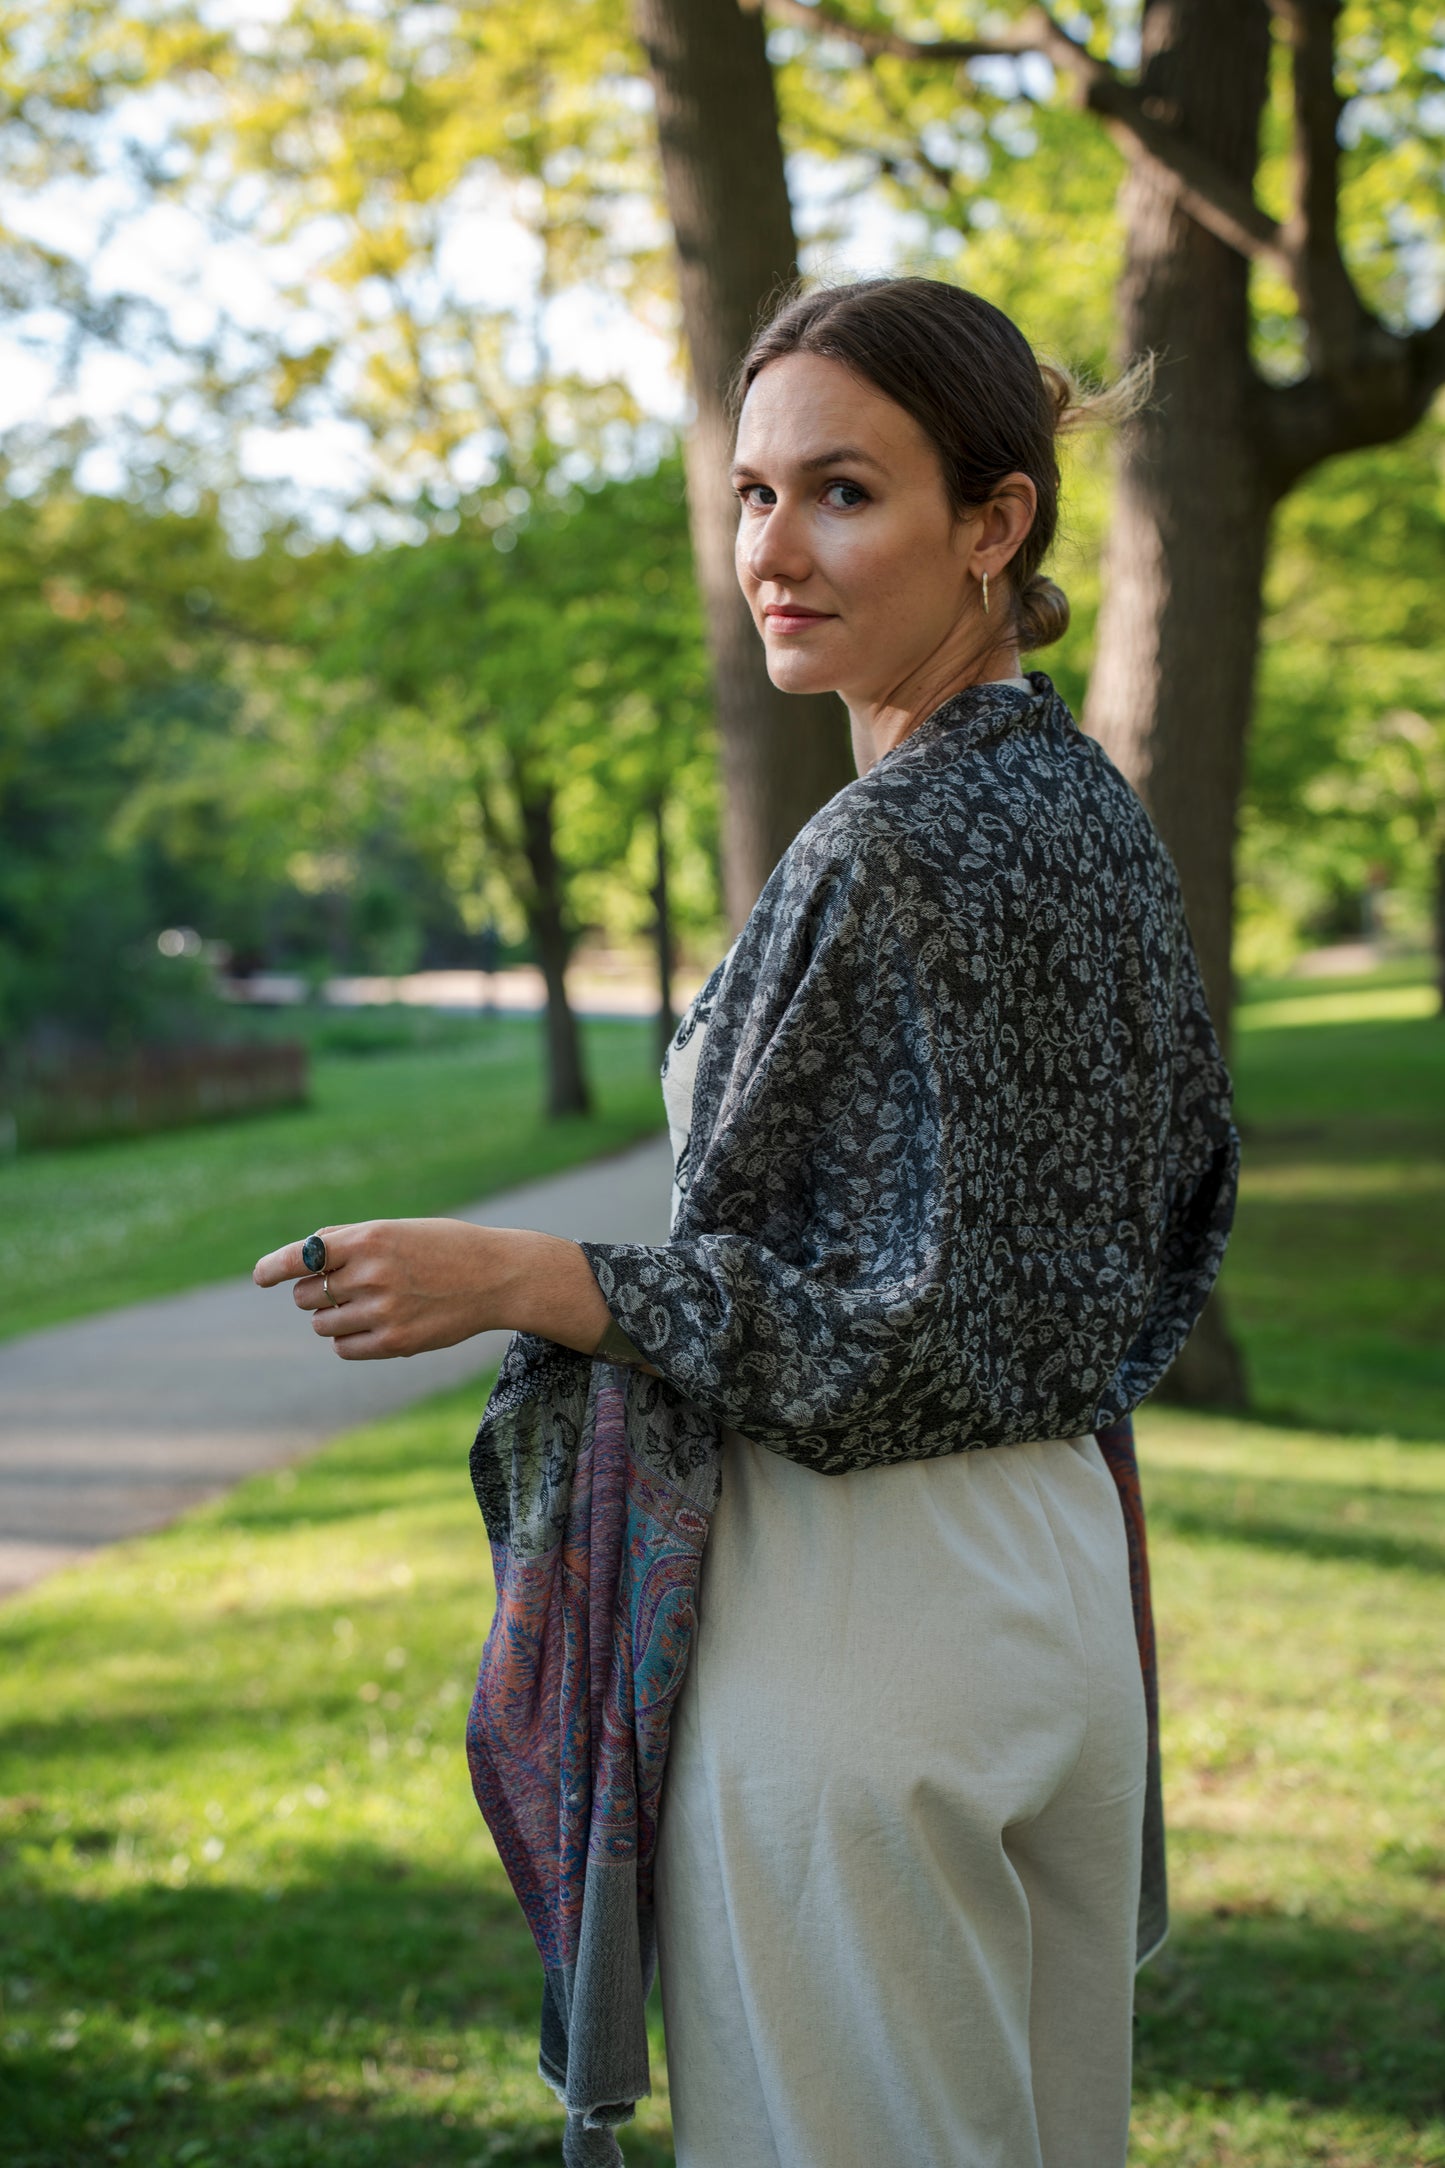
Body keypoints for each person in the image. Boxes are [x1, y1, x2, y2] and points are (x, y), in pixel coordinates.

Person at [255, 276, 1238, 2168]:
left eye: (842, 494)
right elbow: (1177, 1201)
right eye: (752, 495)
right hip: (1060, 1588)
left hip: (858, 1614)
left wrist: (521, 1276)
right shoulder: (1087, 814)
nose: (772, 552)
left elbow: (889, 1329)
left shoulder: (885, 847)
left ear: (995, 521)